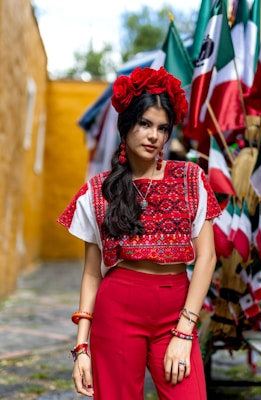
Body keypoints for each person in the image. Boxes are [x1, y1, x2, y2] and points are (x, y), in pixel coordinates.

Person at [57, 66, 221, 400]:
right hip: (116, 309)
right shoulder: (98, 191)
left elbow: (207, 257)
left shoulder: (191, 179)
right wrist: (81, 348)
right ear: (126, 125)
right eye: (145, 123)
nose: (154, 136)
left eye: (162, 128)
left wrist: (185, 331)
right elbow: (92, 273)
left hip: (176, 309)